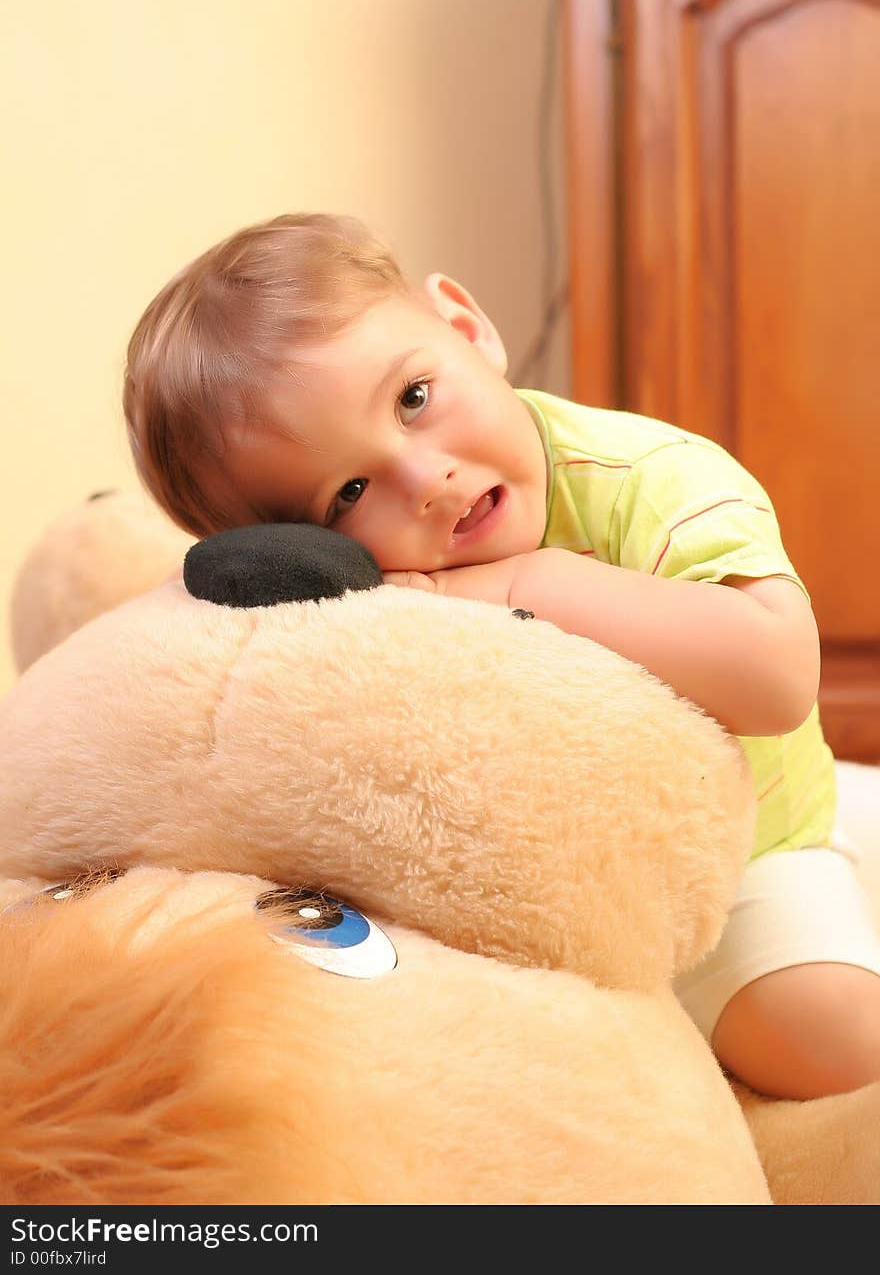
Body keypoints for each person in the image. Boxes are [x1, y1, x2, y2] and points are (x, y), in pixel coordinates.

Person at [124, 212, 880, 1100]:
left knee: (827, 1038)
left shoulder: (650, 477)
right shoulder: (370, 591)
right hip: (527, 894)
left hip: (741, 861)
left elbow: (778, 676)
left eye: (413, 398)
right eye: (350, 491)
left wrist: (536, 585)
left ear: (467, 328)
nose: (426, 479)